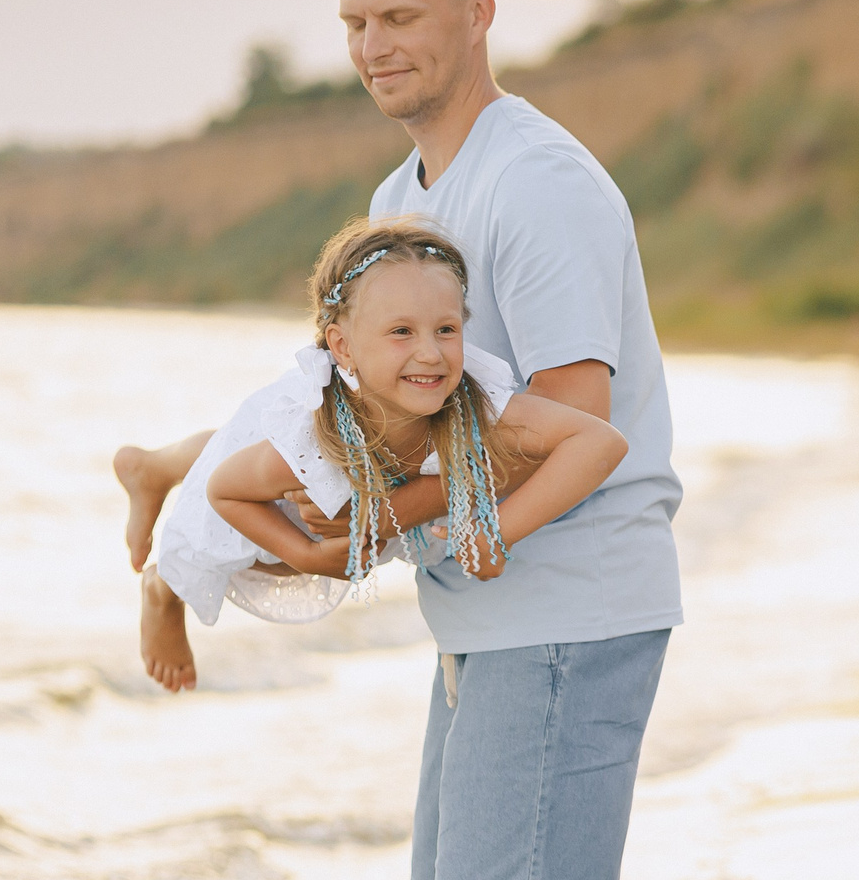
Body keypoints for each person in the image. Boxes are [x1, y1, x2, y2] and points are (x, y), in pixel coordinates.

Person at [113, 0, 683, 880]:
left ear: (479, 11)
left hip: (563, 601)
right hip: (486, 612)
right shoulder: (413, 198)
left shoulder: (535, 184)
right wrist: (345, 527)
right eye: (356, 21)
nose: (374, 44)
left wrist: (370, 535)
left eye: (402, 17)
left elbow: (577, 417)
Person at [184, 219, 623, 622]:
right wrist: (304, 555)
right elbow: (222, 490)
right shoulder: (315, 442)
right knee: (212, 552)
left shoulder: (475, 409)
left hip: (348, 500)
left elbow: (600, 441)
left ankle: (160, 467)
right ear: (343, 347)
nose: (431, 354)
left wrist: (498, 533)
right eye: (402, 332)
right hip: (269, 502)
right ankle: (159, 587)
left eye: (446, 330)